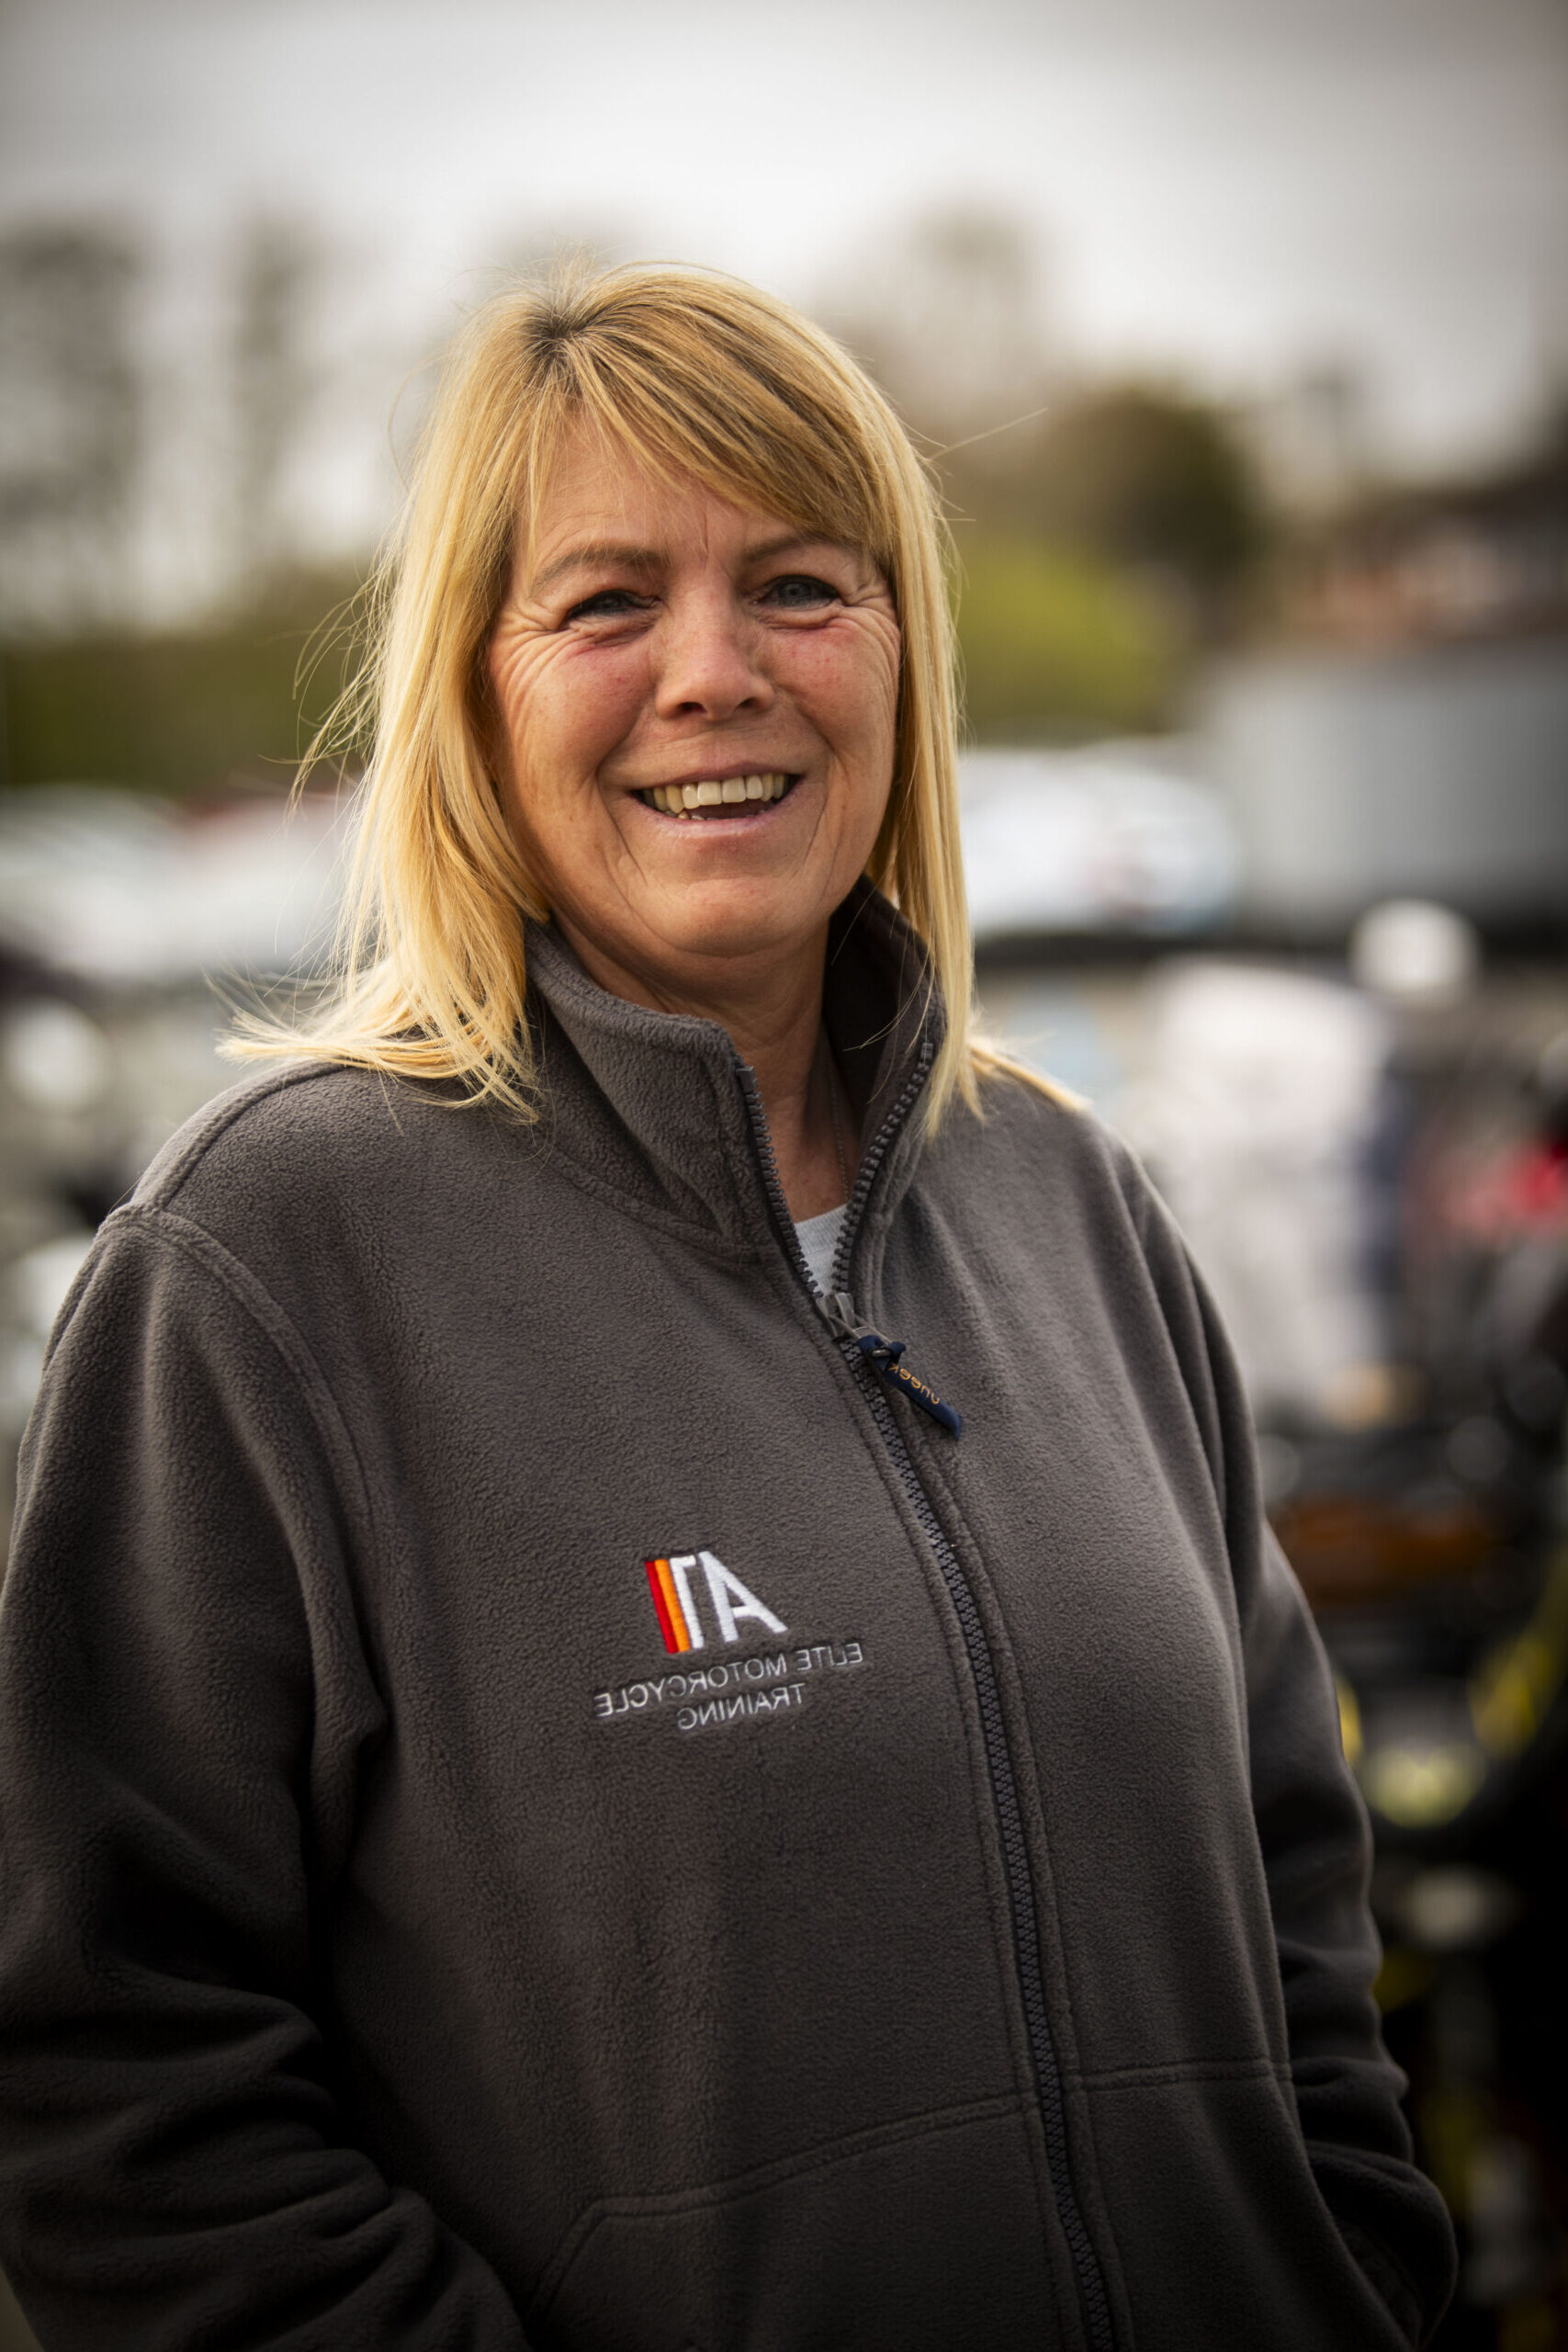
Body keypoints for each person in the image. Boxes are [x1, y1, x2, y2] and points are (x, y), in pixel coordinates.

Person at [0, 266, 1454, 2351]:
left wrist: (1355, 2274)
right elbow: (115, 2089)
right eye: (606, 603)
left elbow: (1292, 1887)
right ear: (476, 693)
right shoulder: (264, 1266)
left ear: (897, 652)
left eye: (796, 586)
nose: (713, 674)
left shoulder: (1077, 1205)